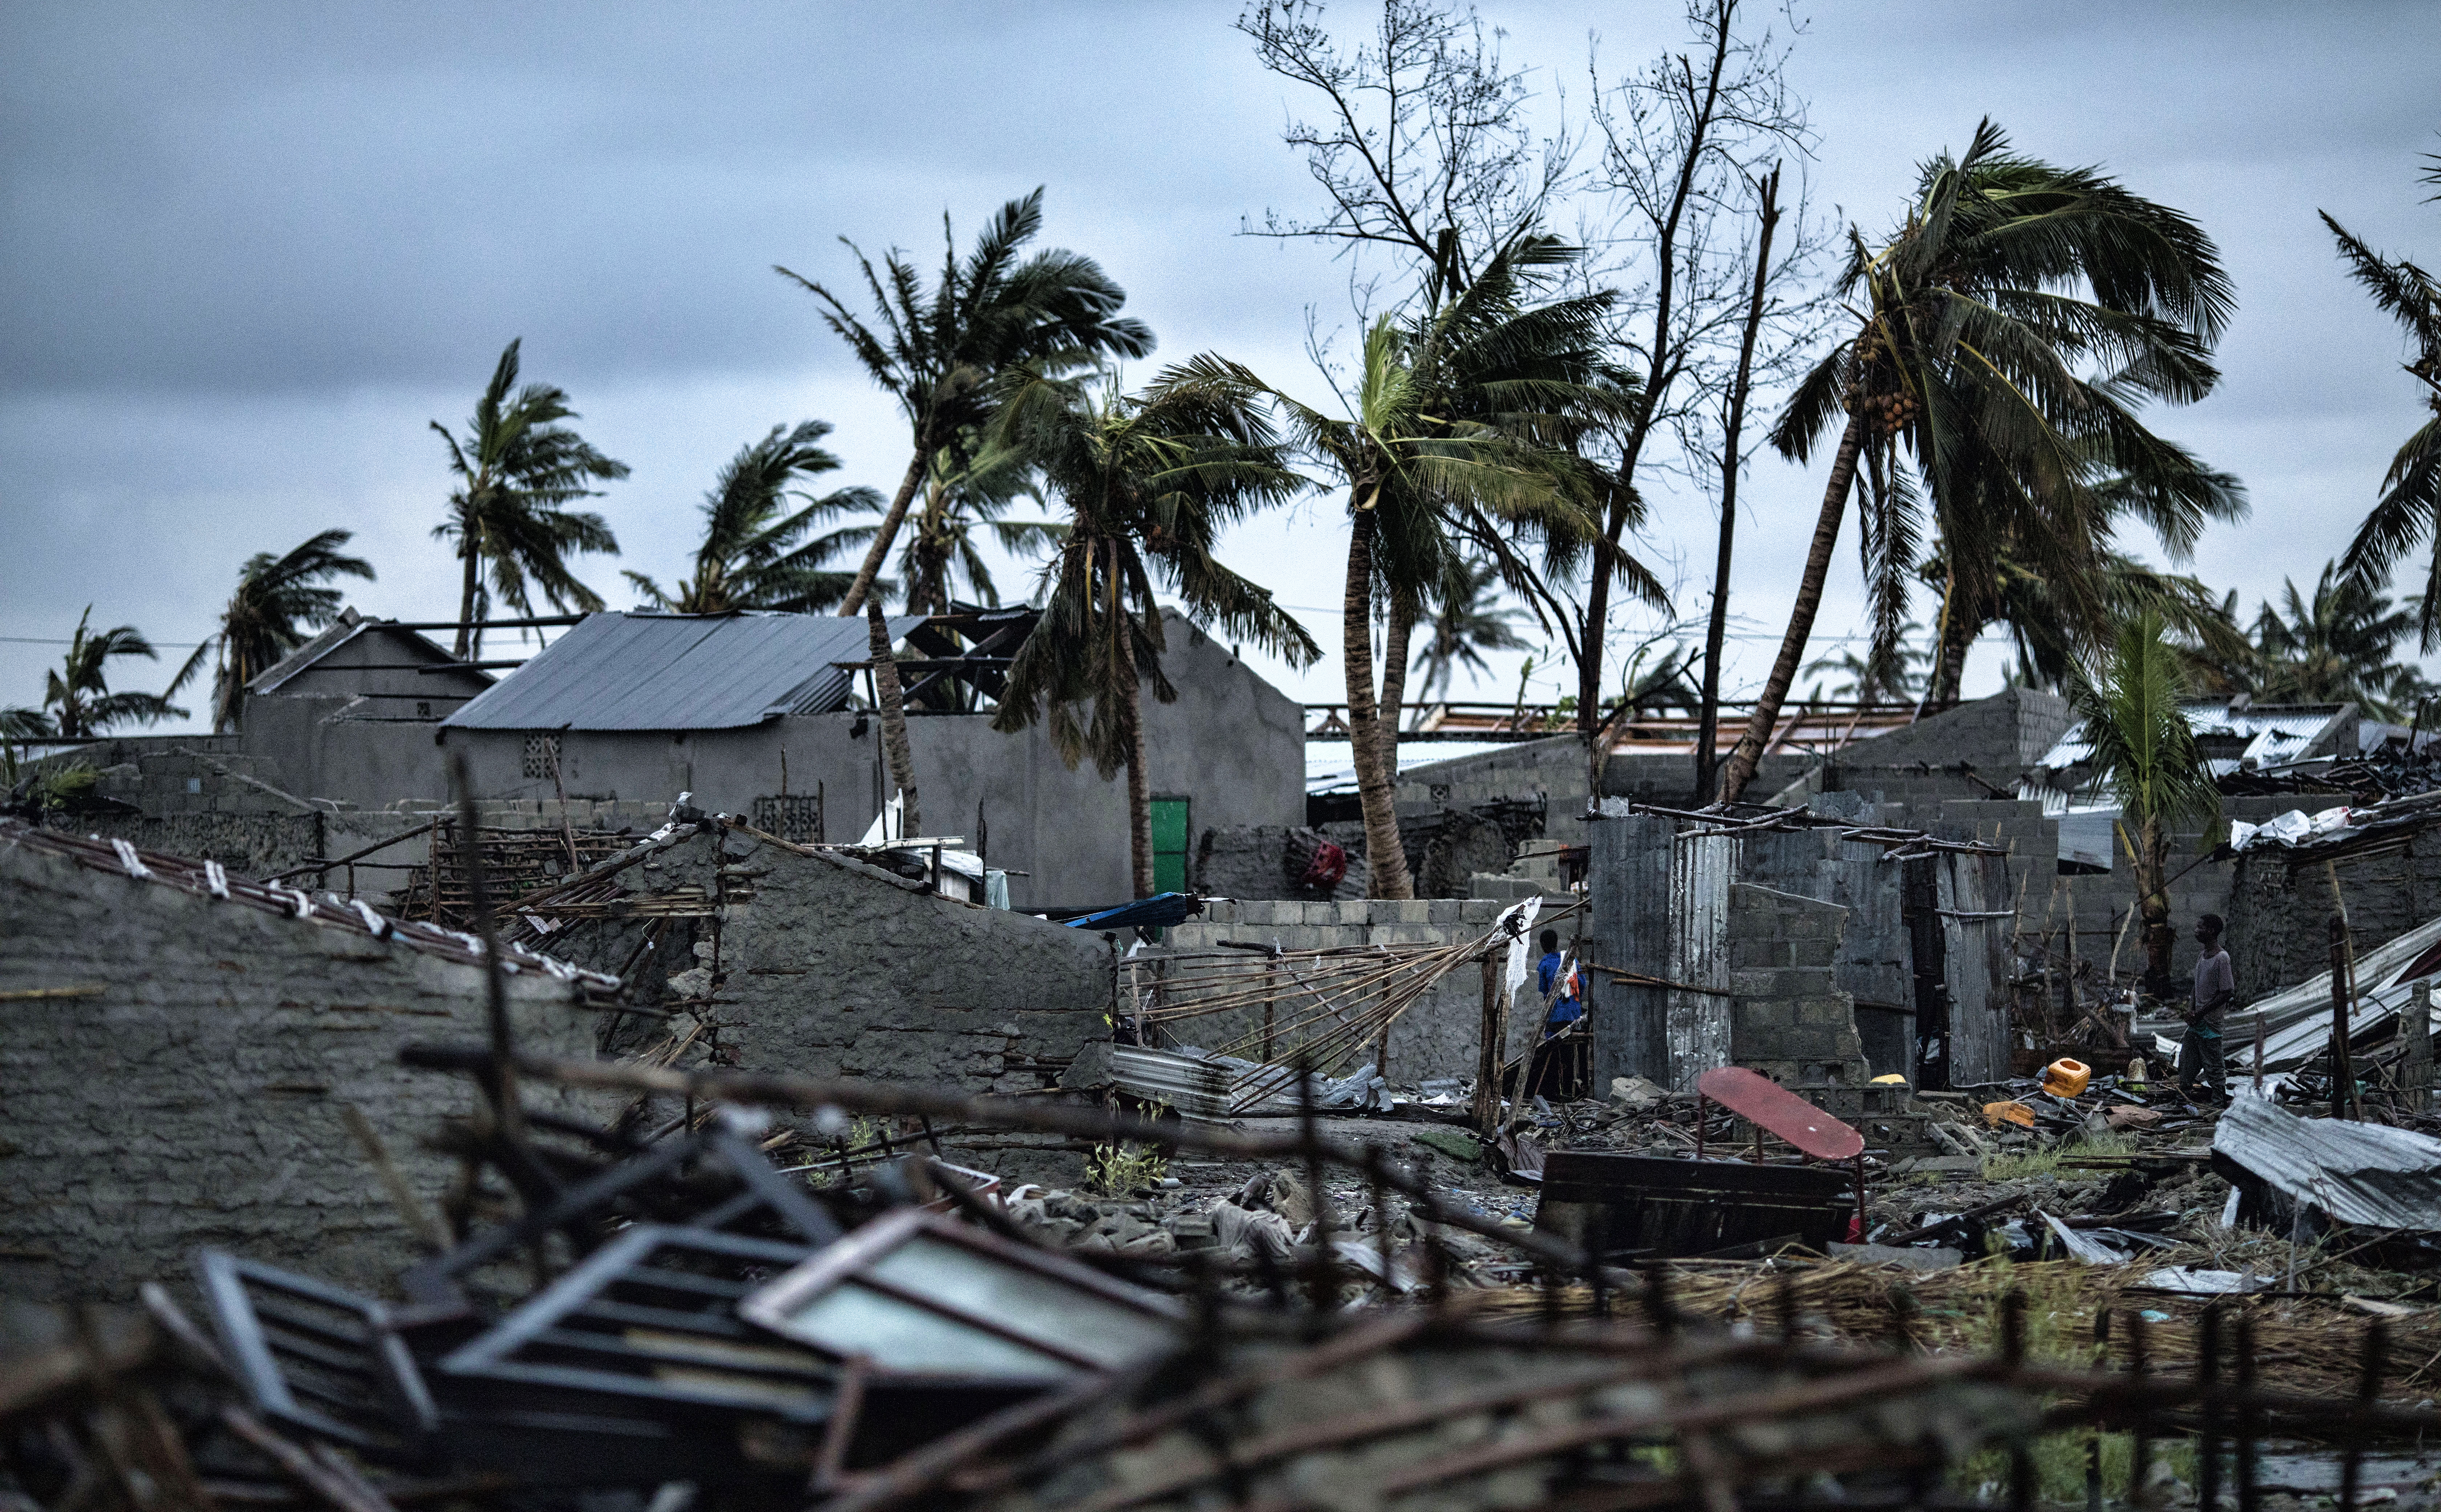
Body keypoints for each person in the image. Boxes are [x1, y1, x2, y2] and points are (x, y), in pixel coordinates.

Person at [1522, 928, 1587, 1102]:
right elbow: (1582, 984)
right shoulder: (1572, 962)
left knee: (1552, 1056)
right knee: (1572, 1056)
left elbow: (1545, 993)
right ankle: (1573, 1091)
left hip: (1555, 1018)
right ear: (1557, 943)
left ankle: (1555, 1093)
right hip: (1574, 1016)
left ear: (1543, 945)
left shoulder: (1544, 964)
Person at [2177, 913, 2236, 1101]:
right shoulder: (2202, 956)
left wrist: (2201, 1013)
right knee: (2186, 1061)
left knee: (2214, 1065)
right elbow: (2196, 986)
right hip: (2197, 1024)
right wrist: (2192, 1010)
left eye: (2200, 927)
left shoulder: (2222, 958)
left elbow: (2227, 992)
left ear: (2211, 931)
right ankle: (2183, 1097)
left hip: (2211, 1025)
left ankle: (2218, 1101)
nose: (2196, 931)